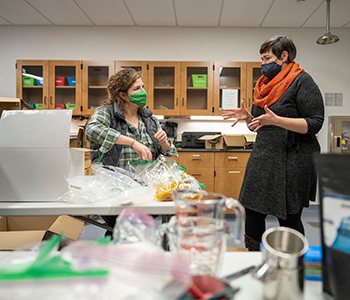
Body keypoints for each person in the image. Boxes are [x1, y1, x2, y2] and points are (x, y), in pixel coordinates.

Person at [222, 35, 324, 251]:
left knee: (288, 216)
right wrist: (248, 118)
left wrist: (278, 121)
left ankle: (290, 261)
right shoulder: (263, 85)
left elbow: (315, 123)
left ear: (284, 56)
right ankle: (252, 255)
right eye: (261, 58)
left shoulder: (301, 81)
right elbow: (259, 125)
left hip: (293, 160)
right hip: (264, 156)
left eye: (267, 58)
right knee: (252, 210)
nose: (263, 64)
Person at [86, 68, 178, 235]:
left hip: (145, 191)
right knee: (122, 230)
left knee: (135, 230)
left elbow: (168, 153)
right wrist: (132, 142)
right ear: (122, 95)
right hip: (114, 191)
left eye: (142, 87)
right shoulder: (107, 113)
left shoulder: (149, 119)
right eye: (137, 88)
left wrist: (164, 141)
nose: (143, 92)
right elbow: (92, 130)